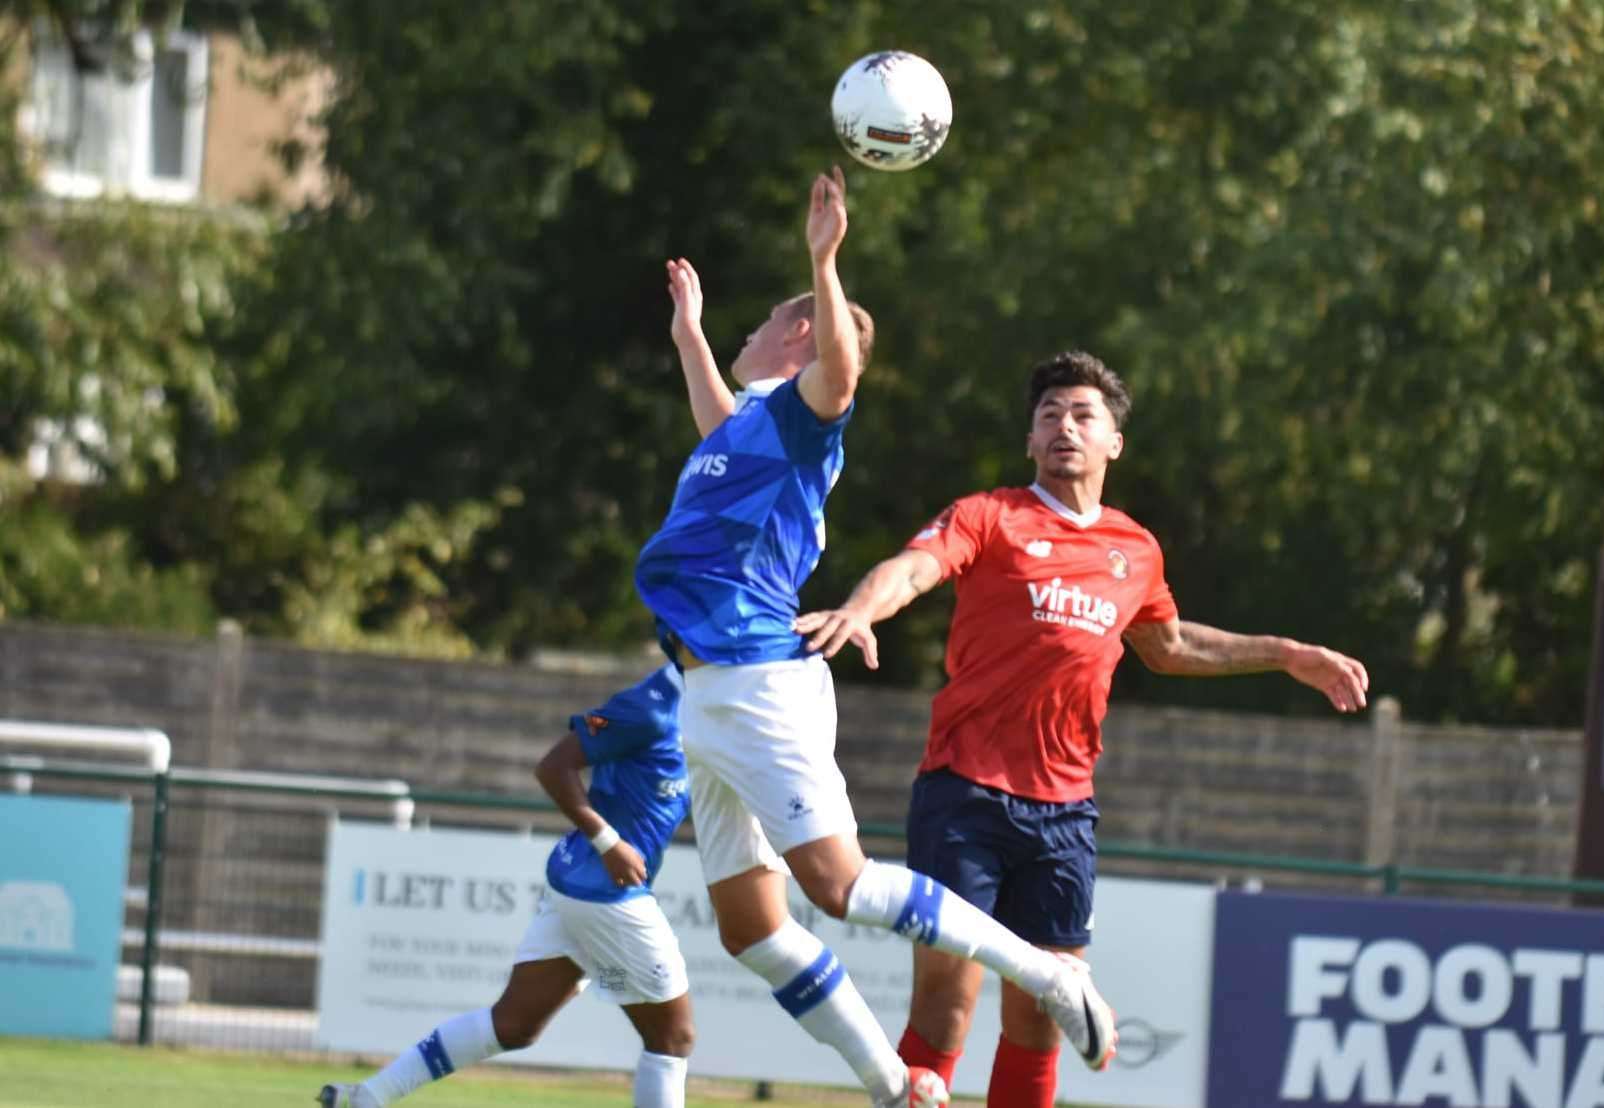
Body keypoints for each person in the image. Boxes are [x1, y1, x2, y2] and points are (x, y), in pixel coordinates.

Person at [635, 169, 1115, 1108]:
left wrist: (824, 261)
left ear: (801, 336)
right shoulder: (747, 430)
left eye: (761, 325)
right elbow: (715, 422)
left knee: (838, 886)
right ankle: (900, 1086)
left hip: (754, 679)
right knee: (752, 930)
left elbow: (843, 370)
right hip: (704, 691)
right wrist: (689, 334)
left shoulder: (806, 416)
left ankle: (1049, 975)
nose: (745, 335)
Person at [793, 350, 1372, 1108]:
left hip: (1064, 812)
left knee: (1042, 1013)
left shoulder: (1134, 549)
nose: (1064, 426)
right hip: (964, 793)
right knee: (946, 1002)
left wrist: (1286, 654)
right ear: (1029, 441)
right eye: (1048, 415)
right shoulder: (990, 516)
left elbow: (1170, 646)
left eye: (1081, 415)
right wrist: (859, 610)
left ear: (1113, 443)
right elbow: (914, 567)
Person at [316, 664, 695, 1108]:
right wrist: (608, 841)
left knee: (513, 1025)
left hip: (578, 887)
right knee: (672, 1037)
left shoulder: (711, 706)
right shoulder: (650, 708)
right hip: (606, 892)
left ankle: (367, 1097)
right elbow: (553, 767)